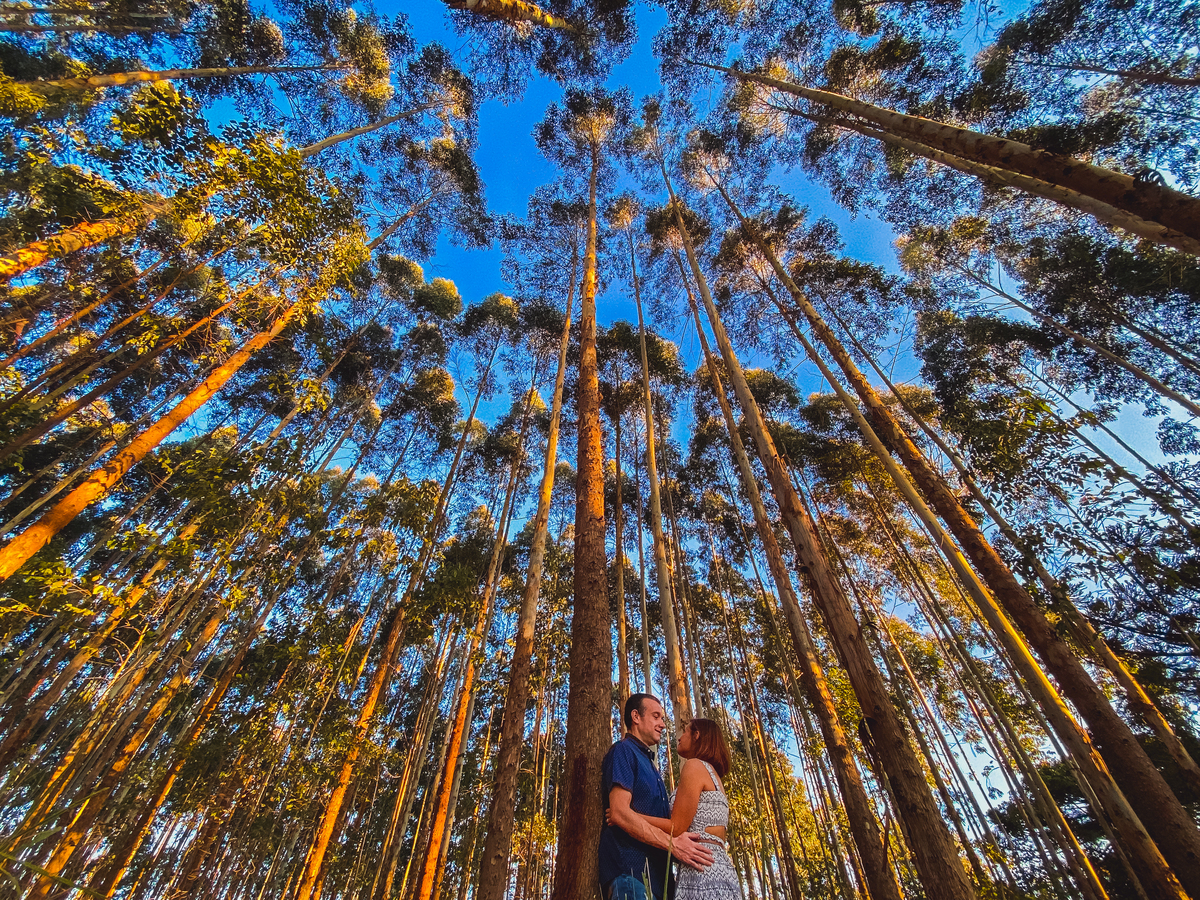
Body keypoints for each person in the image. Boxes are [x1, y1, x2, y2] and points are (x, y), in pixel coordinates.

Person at [609, 717, 741, 900]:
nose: (680, 737)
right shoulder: (713, 775)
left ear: (696, 735)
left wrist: (628, 815)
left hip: (701, 870)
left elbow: (676, 827)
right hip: (718, 868)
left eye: (685, 731)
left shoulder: (694, 766)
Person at [600, 694, 714, 900]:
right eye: (656, 716)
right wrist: (673, 845)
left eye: (662, 718)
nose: (662, 724)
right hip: (631, 875)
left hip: (660, 882)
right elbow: (618, 812)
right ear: (636, 716)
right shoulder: (623, 751)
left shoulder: (650, 765)